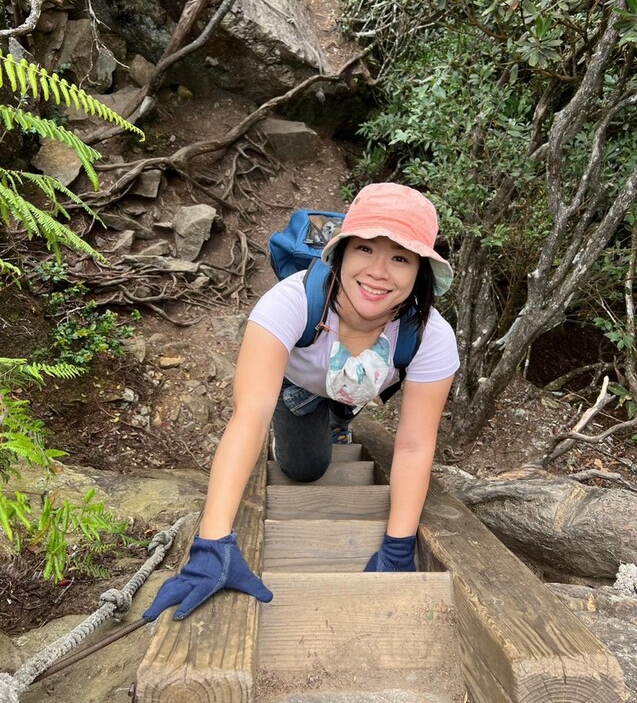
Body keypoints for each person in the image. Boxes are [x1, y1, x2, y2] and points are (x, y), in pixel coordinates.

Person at [144, 183, 459, 621]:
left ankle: (341, 414)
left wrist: (399, 548)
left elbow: (413, 445)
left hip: (358, 388)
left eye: (401, 257)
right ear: (342, 253)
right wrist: (211, 545)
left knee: (344, 408)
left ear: (420, 272)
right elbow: (249, 415)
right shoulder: (290, 303)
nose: (379, 271)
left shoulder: (431, 336)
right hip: (299, 388)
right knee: (304, 468)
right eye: (365, 248)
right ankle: (320, 415)